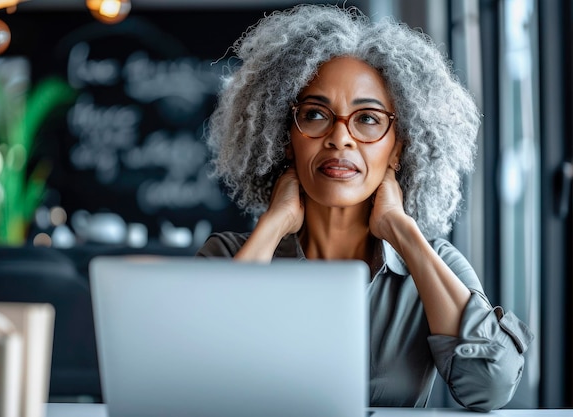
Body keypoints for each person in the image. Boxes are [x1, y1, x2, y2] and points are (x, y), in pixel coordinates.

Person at [196, 4, 533, 411]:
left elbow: (490, 387)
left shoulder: (435, 265)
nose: (341, 138)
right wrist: (274, 224)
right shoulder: (229, 256)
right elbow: (195, 368)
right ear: (285, 139)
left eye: (369, 119)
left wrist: (401, 229)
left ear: (398, 149)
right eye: (316, 114)